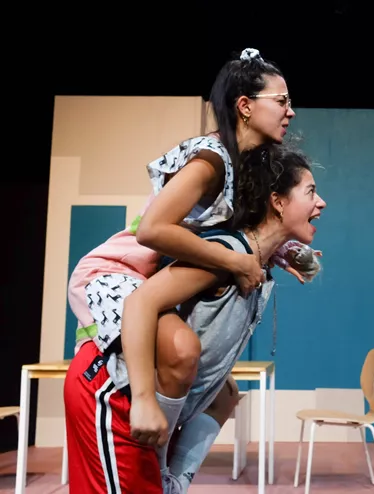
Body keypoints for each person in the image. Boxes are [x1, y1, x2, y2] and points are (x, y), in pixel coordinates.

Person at [62, 47, 308, 493]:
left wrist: (280, 252)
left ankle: (171, 476)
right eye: (282, 101)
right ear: (245, 106)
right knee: (181, 347)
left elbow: (226, 229)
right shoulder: (212, 159)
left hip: (147, 274)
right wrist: (232, 260)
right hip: (117, 271)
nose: (290, 111)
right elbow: (152, 231)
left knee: (225, 393)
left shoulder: (243, 166)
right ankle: (148, 431)